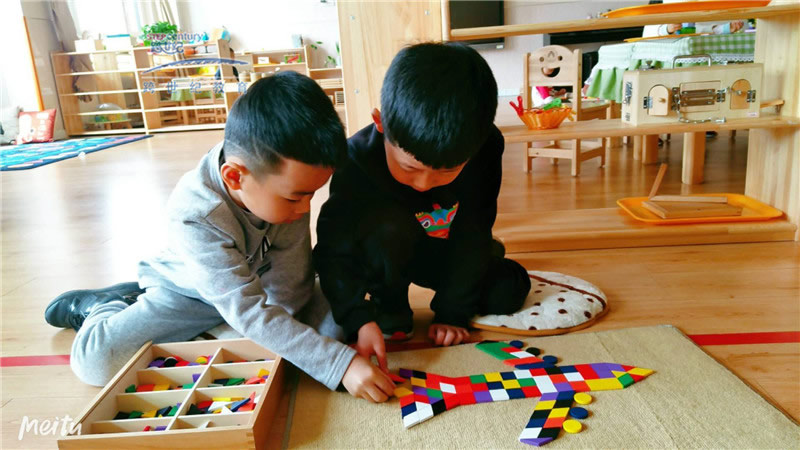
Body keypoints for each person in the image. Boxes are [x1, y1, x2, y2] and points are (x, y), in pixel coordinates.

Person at [45, 72, 396, 403]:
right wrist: (340, 365)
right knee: (97, 363)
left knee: (330, 329)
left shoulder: (285, 194)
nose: (305, 209)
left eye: (311, 195)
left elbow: (292, 295)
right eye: (295, 197)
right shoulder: (195, 213)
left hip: (253, 288)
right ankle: (101, 305)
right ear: (234, 176)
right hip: (189, 293)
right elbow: (249, 311)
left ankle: (225, 332)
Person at [313, 43, 531, 372]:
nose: (424, 184)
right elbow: (333, 247)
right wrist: (357, 317)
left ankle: (487, 261)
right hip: (382, 253)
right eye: (410, 168)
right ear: (380, 123)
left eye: (447, 171)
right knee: (385, 230)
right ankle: (392, 308)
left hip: (442, 248)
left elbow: (474, 227)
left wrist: (452, 314)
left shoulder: (486, 147)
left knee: (508, 291)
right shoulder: (355, 158)